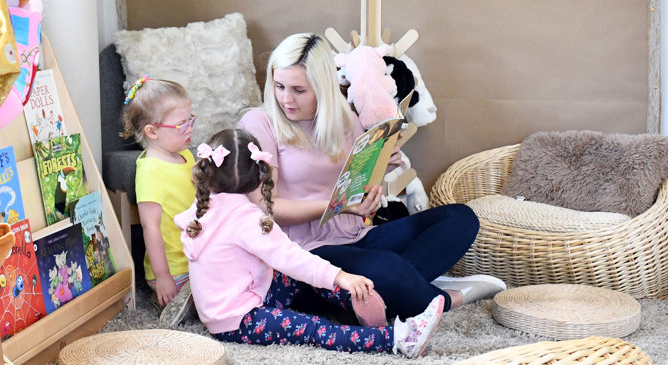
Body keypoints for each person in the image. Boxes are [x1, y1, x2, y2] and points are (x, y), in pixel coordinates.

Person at [240, 33, 502, 320]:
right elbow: (268, 208)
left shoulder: (344, 119)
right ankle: (442, 298)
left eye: (299, 90)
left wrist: (381, 167)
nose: (286, 99)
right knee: (386, 267)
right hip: (305, 251)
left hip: (357, 234)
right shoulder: (259, 123)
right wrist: (335, 206)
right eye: (279, 86)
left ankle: (393, 290)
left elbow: (353, 183)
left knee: (460, 219)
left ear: (323, 87)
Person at [178, 129, 443, 357]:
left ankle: (357, 303)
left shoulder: (202, 207)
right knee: (314, 328)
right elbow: (291, 257)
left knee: (297, 278)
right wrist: (341, 277)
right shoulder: (245, 218)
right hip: (238, 319)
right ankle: (398, 339)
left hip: (236, 298)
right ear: (260, 174)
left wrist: (338, 279)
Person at [118, 77, 199, 308]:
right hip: (174, 269)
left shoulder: (186, 155)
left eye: (190, 120)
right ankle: (178, 302)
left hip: (197, 256)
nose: (190, 129)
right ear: (152, 132)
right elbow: (150, 228)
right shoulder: (151, 171)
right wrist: (163, 277)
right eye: (182, 124)